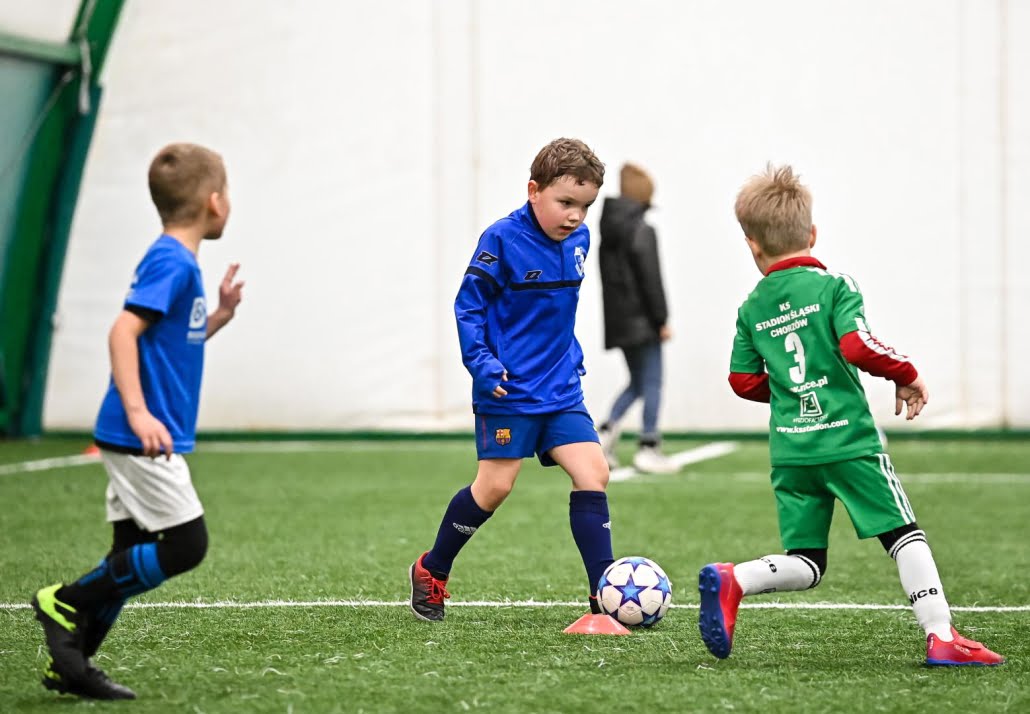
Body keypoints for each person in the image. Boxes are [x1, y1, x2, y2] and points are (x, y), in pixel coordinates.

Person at [697, 164, 1004, 667]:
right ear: (812, 234)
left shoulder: (752, 306)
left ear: (752, 245)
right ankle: (941, 635)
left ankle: (738, 578)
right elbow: (857, 345)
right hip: (848, 441)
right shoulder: (834, 286)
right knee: (903, 533)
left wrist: (792, 391)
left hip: (792, 451)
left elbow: (743, 381)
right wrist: (906, 372)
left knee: (807, 562)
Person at [31, 142, 245, 699]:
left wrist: (219, 316)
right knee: (186, 545)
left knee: (126, 555)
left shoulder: (179, 263)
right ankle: (65, 603)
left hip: (139, 433)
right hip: (140, 435)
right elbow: (122, 332)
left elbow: (174, 343)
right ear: (214, 202)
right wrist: (139, 412)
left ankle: (72, 665)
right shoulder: (171, 261)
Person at [409, 138, 614, 621]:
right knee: (495, 487)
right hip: (508, 388)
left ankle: (604, 594)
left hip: (560, 387)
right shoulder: (502, 239)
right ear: (533, 191)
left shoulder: (580, 240)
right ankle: (432, 569)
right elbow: (469, 306)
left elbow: (557, 312)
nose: (575, 216)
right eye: (566, 202)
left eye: (586, 206)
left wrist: (569, 353)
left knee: (594, 473)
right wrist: (481, 363)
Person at [596, 163, 676, 474]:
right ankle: (648, 445)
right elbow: (651, 280)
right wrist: (661, 319)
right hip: (643, 322)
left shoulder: (609, 232)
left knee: (638, 382)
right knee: (653, 382)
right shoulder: (642, 230)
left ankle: (605, 433)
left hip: (619, 323)